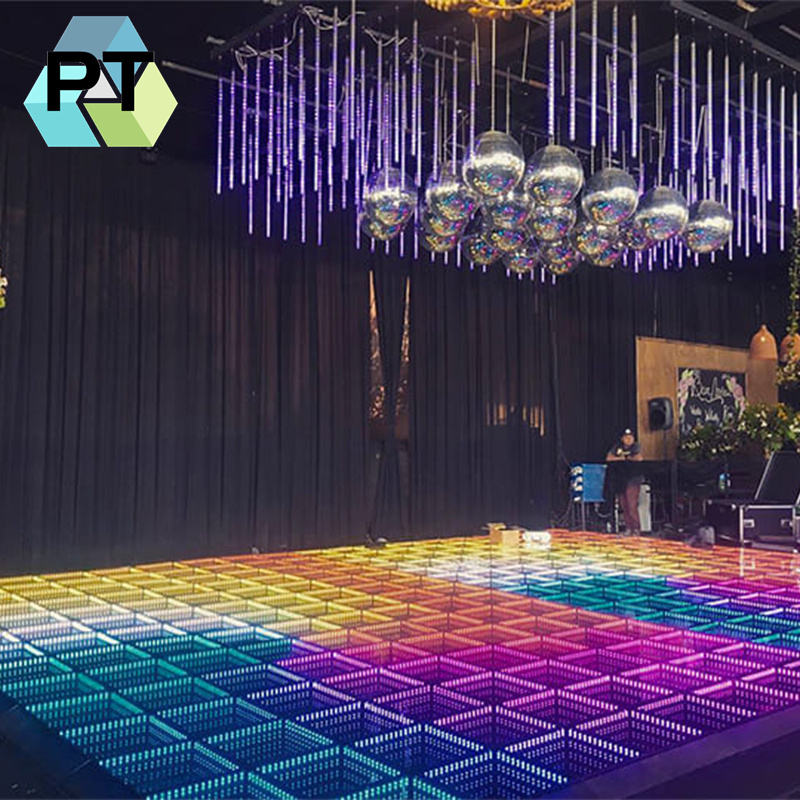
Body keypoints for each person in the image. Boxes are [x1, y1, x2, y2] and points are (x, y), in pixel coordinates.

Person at [606, 428, 644, 535]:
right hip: (620, 480)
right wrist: (623, 458)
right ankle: (628, 528)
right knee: (624, 506)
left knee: (632, 506)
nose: (628, 439)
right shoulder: (617, 447)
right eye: (626, 437)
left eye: (630, 437)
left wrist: (625, 457)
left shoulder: (636, 446)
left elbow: (639, 458)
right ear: (622, 438)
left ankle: (636, 529)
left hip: (633, 480)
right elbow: (609, 458)